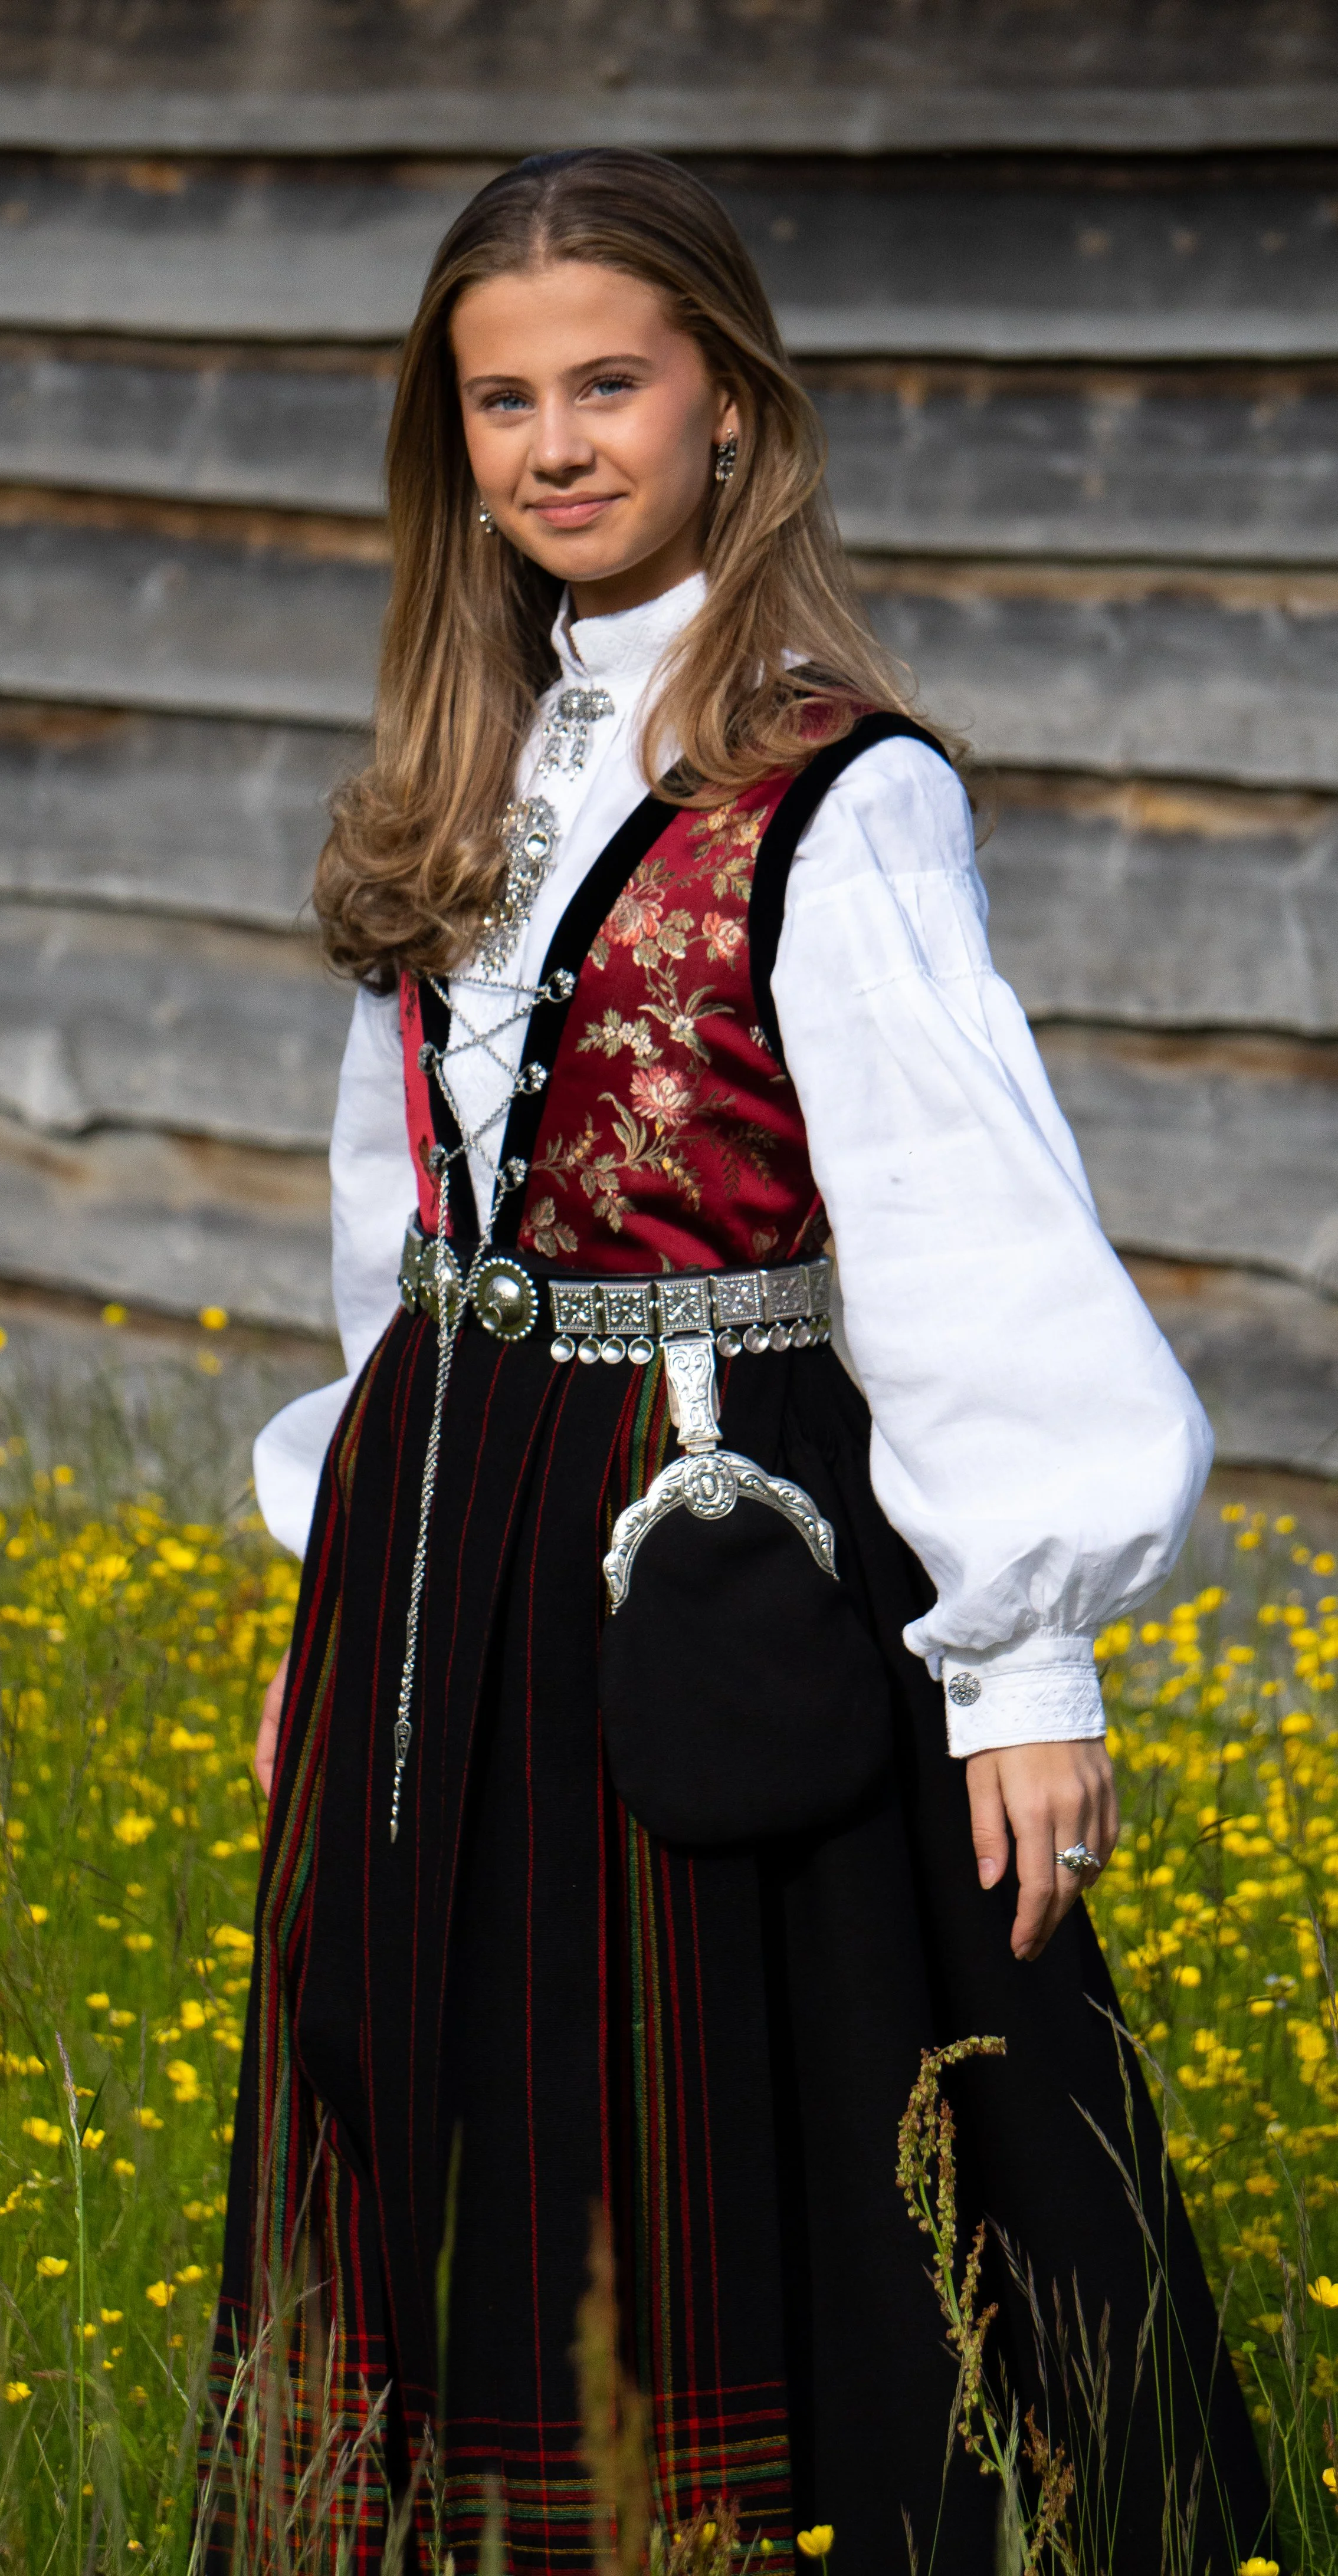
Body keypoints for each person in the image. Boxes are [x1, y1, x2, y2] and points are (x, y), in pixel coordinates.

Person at [209, 149, 1265, 2572]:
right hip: (440, 1517)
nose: (555, 443)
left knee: (711, 2090)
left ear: (728, 411)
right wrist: (326, 1582)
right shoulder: (465, 763)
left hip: (701, 1523)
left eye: (609, 382)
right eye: (500, 400)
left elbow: (949, 1213)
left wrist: (1020, 1664)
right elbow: (407, 1222)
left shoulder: (836, 791)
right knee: (439, 2068)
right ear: (445, 438)